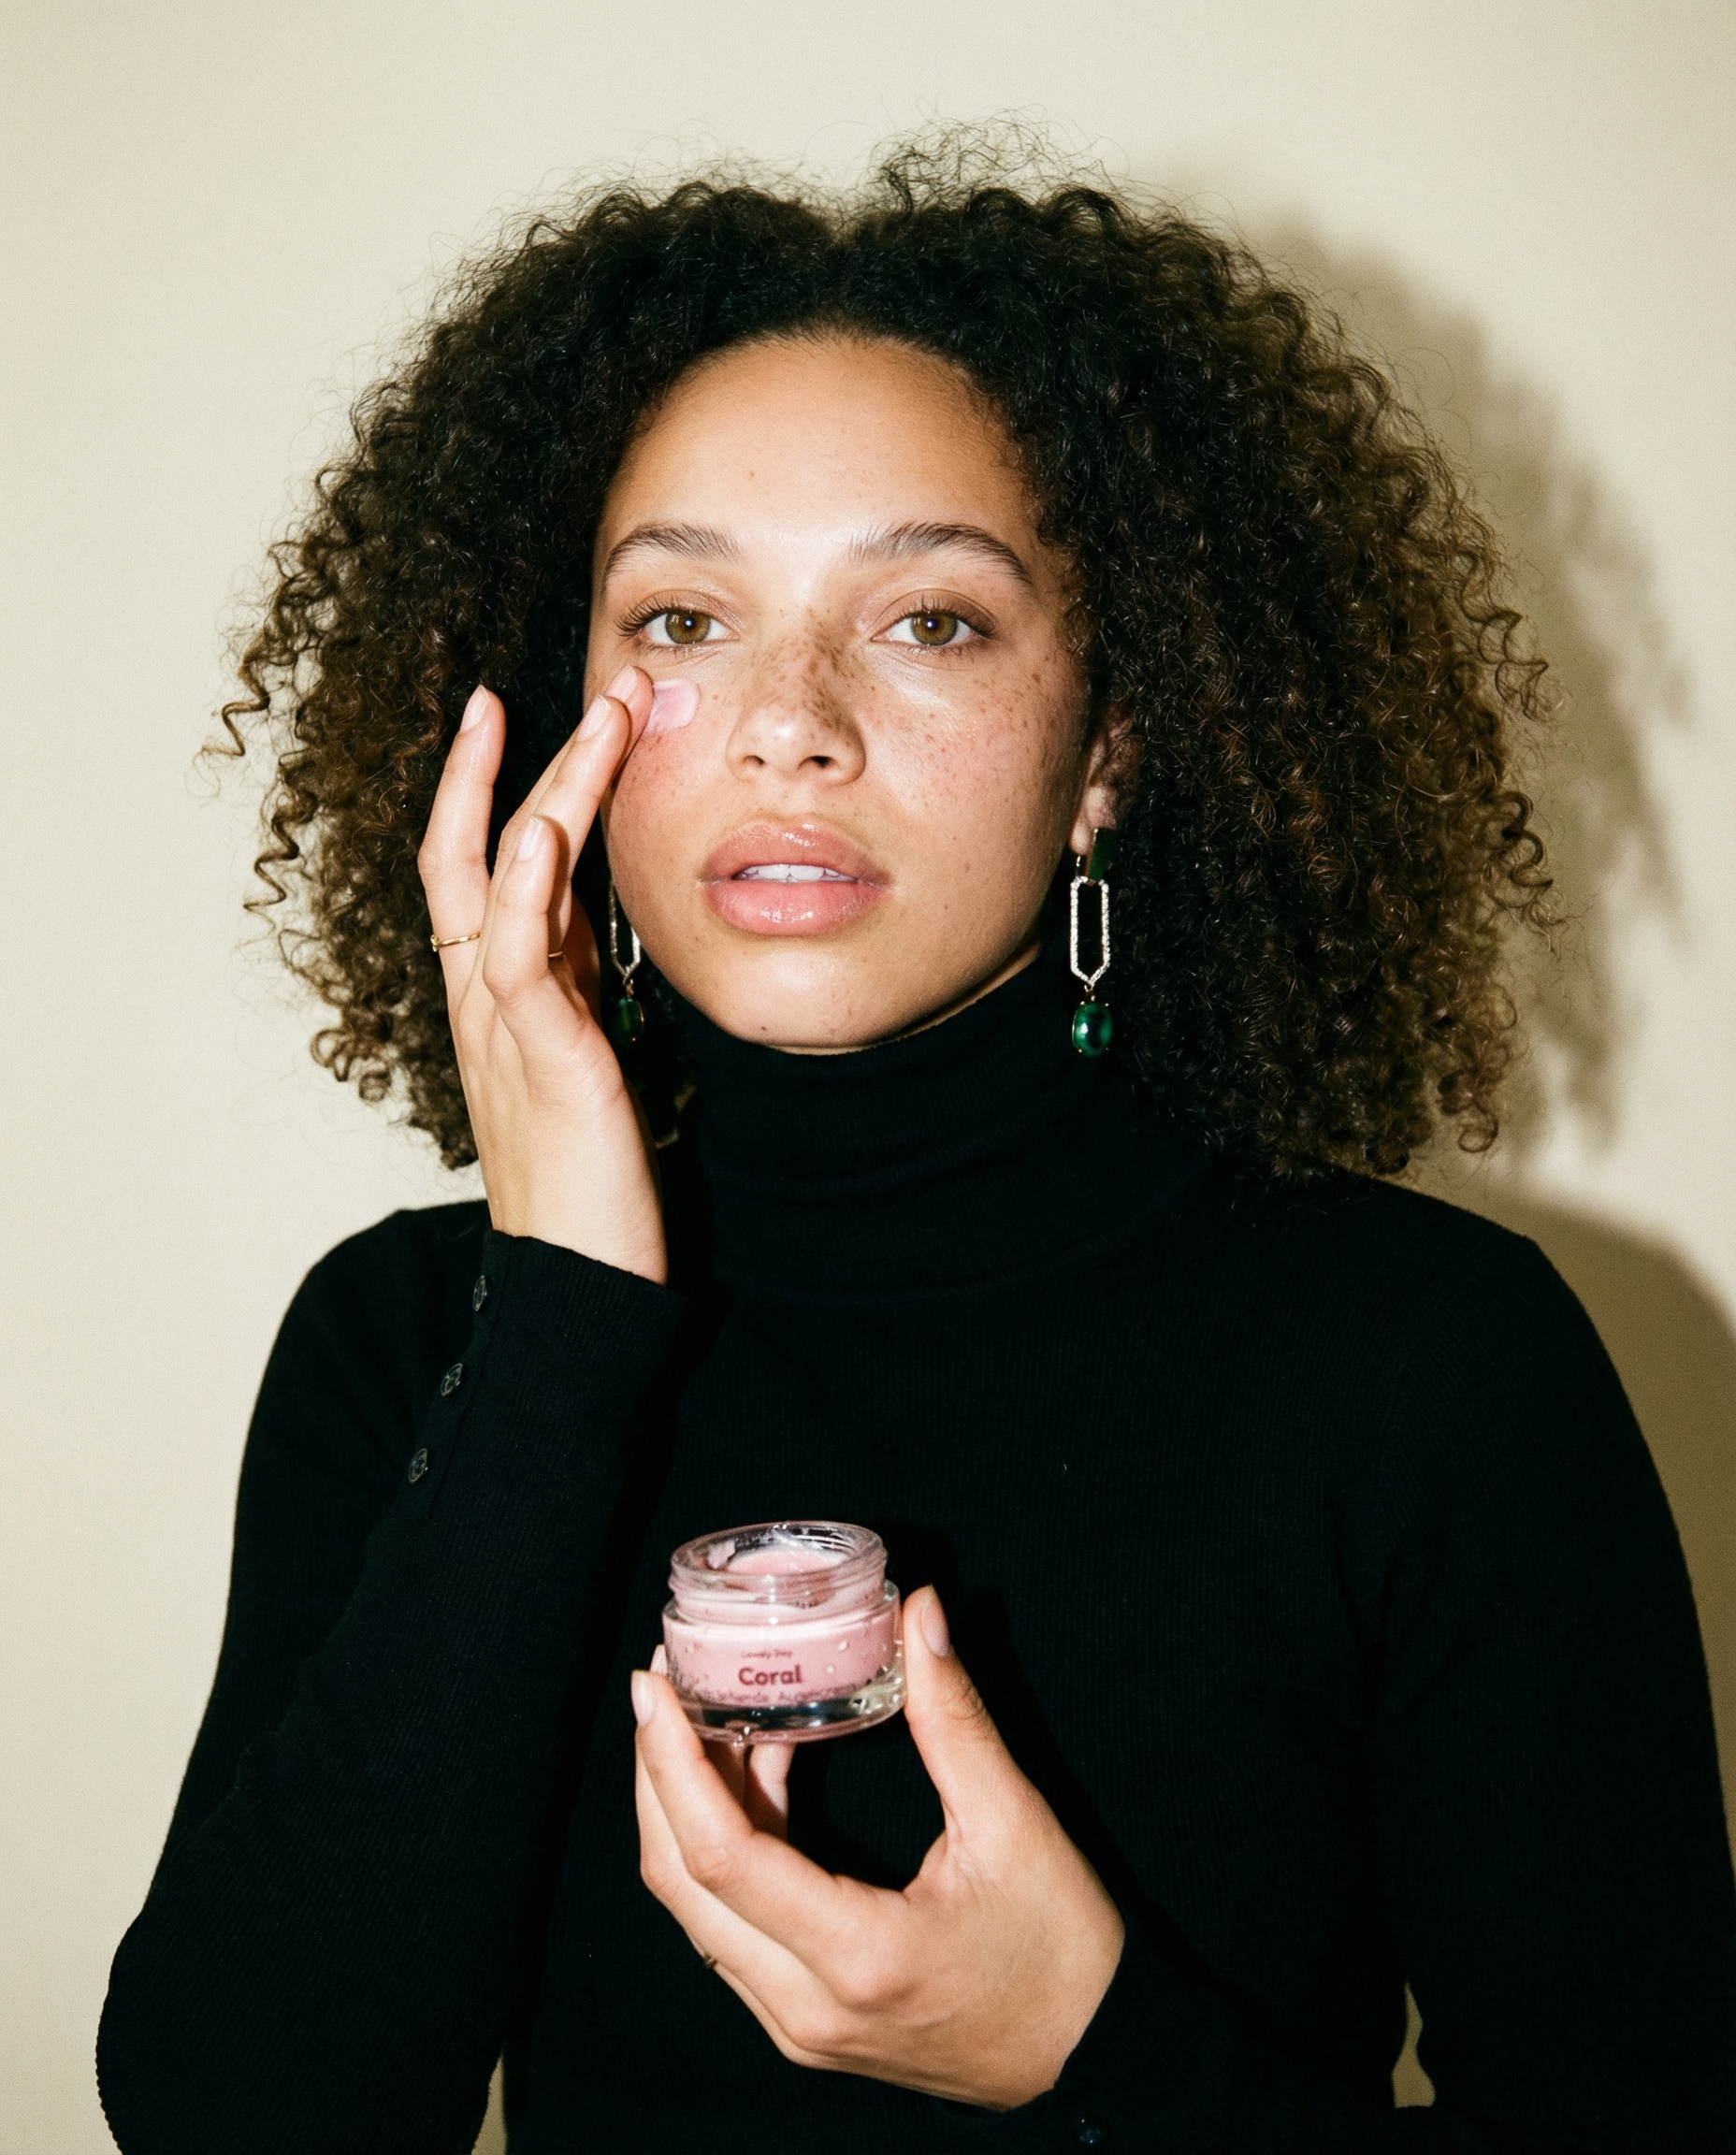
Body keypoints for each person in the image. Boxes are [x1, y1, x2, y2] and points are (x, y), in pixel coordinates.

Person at [97, 147, 1733, 2154]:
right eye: (684, 618)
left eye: (932, 620)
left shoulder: (1439, 1361)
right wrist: (562, 1321)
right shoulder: (413, 1342)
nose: (790, 721)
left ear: (1108, 751)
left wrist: (1092, 2050)